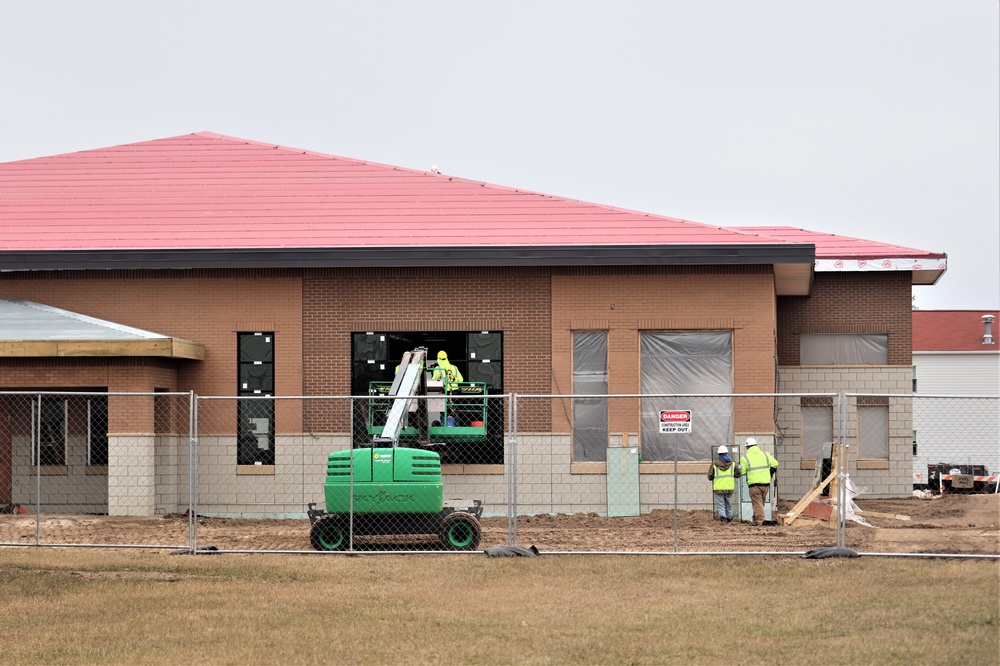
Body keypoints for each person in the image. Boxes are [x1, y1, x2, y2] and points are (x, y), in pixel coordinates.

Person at [739, 437, 778, 526]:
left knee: (757, 503)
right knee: (760, 503)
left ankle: (761, 521)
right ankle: (755, 520)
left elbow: (743, 471)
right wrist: (770, 472)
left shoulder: (745, 458)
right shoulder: (765, 454)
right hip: (766, 484)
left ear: (747, 447)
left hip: (754, 485)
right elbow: (775, 463)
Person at [708, 445, 739, 523]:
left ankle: (723, 517)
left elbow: (710, 476)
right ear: (727, 453)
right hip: (729, 487)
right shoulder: (733, 464)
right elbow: (738, 474)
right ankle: (729, 517)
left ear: (718, 454)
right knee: (729, 503)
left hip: (718, 488)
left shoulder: (714, 464)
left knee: (721, 504)